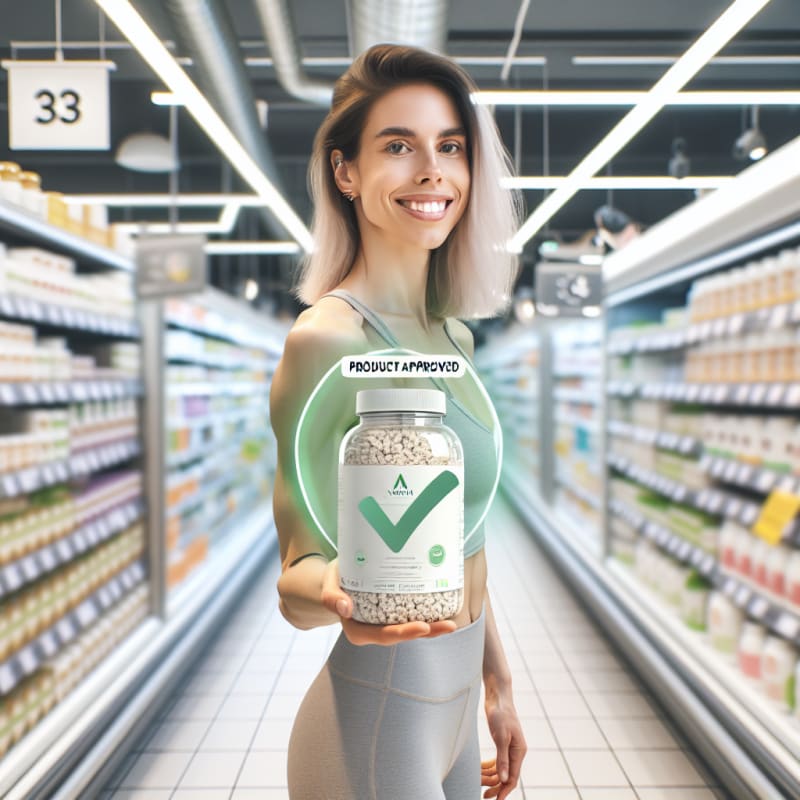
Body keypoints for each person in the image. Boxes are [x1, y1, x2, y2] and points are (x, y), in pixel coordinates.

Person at [269, 43, 527, 800]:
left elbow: (463, 536)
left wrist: (499, 684)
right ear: (345, 172)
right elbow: (293, 580)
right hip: (378, 717)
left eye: (450, 146)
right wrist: (336, 591)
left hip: (454, 707)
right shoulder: (329, 341)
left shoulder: (455, 339)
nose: (432, 171)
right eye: (397, 146)